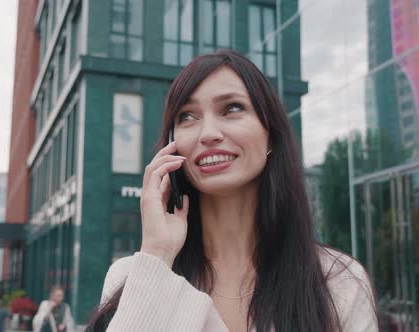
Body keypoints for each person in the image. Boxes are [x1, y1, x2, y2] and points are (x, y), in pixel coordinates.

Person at [87, 49, 378, 332]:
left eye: (232, 108)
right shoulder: (133, 275)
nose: (209, 133)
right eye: (187, 116)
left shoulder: (338, 281)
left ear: (270, 135)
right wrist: (158, 255)